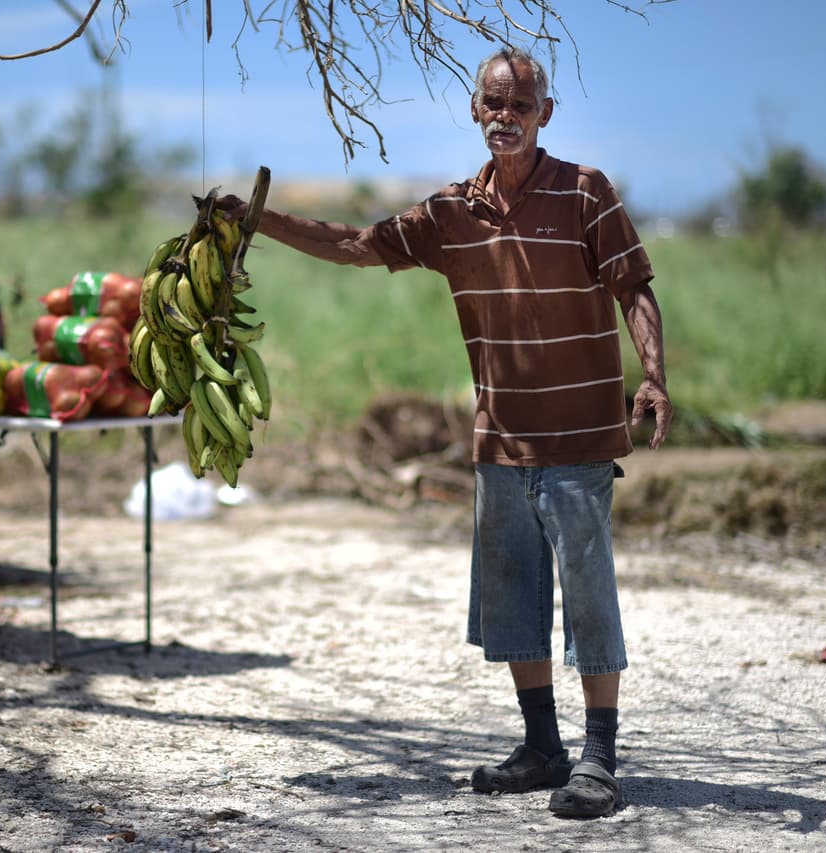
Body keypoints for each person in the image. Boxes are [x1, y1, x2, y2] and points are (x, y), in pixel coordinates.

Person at [218, 45, 672, 818]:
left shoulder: (586, 193)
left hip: (580, 438)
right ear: (475, 110)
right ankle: (542, 747)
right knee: (513, 601)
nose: (506, 118)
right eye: (494, 104)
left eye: (521, 106)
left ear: (545, 115)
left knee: (588, 596)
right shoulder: (450, 214)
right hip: (499, 441)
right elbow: (356, 244)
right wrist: (261, 222)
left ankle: (599, 758)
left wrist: (655, 375)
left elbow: (633, 286)